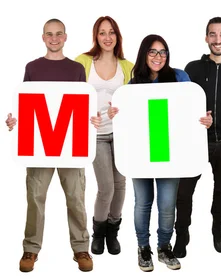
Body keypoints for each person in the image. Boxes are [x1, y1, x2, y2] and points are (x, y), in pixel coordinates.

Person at [107, 34, 213, 272]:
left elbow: (193, 111)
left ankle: (164, 247)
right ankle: (143, 249)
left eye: (163, 52)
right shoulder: (133, 85)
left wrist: (205, 120)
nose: (158, 57)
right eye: (153, 52)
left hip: (171, 153)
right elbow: (129, 123)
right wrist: (117, 116)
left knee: (167, 205)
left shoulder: (179, 78)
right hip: (141, 153)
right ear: (144, 55)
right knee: (143, 203)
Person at [5, 18, 100, 273]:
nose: (54, 38)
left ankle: (81, 248)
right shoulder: (32, 68)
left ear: (65, 37)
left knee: (76, 197)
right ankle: (31, 248)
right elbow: (26, 104)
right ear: (43, 37)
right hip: (40, 144)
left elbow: (83, 105)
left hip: (71, 143)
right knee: (35, 198)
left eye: (59, 34)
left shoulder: (76, 69)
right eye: (49, 34)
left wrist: (93, 118)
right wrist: (14, 120)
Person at [174, 17, 221, 257]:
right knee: (184, 190)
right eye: (213, 34)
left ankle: (217, 225)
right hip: (196, 140)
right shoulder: (193, 68)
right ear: (206, 38)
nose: (217, 39)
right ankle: (181, 232)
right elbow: (182, 103)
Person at [75, 15, 134, 256]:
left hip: (120, 134)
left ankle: (113, 230)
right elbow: (72, 97)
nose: (107, 37)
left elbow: (133, 101)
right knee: (106, 187)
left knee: (120, 185)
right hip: (96, 134)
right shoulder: (82, 62)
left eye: (111, 32)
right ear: (95, 36)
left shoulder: (127, 66)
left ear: (117, 36)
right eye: (102, 33)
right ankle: (98, 232)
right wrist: (87, 116)